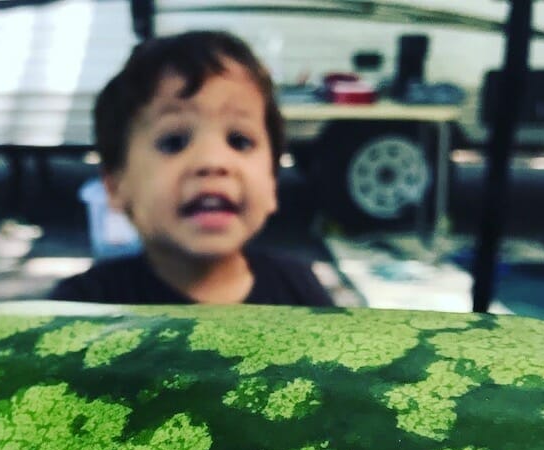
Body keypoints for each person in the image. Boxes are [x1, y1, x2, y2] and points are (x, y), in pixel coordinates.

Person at [50, 30, 333, 307]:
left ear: (272, 182)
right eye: (174, 142)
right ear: (115, 186)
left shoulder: (301, 290)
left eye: (239, 141)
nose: (213, 162)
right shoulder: (82, 308)